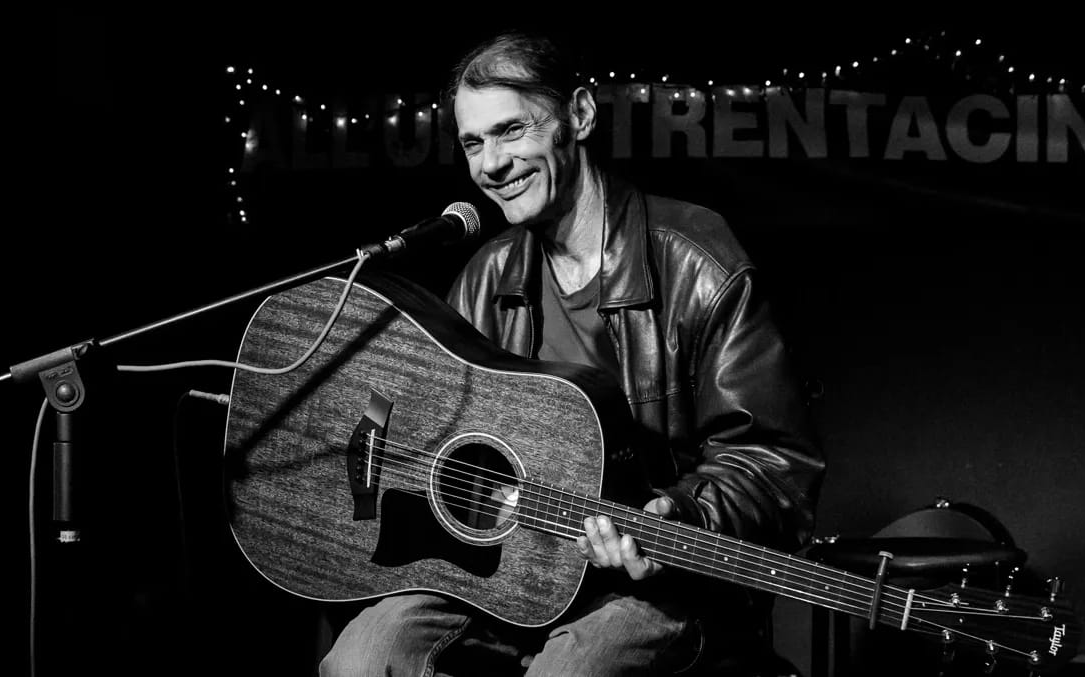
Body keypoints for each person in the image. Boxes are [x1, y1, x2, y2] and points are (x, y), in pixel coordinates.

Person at [320, 30, 824, 676]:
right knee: (361, 657)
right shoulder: (484, 278)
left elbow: (776, 463)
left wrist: (681, 511)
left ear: (579, 116)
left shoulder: (696, 259)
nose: (490, 166)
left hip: (659, 588)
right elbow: (422, 428)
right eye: (474, 143)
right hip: (508, 573)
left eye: (510, 132)